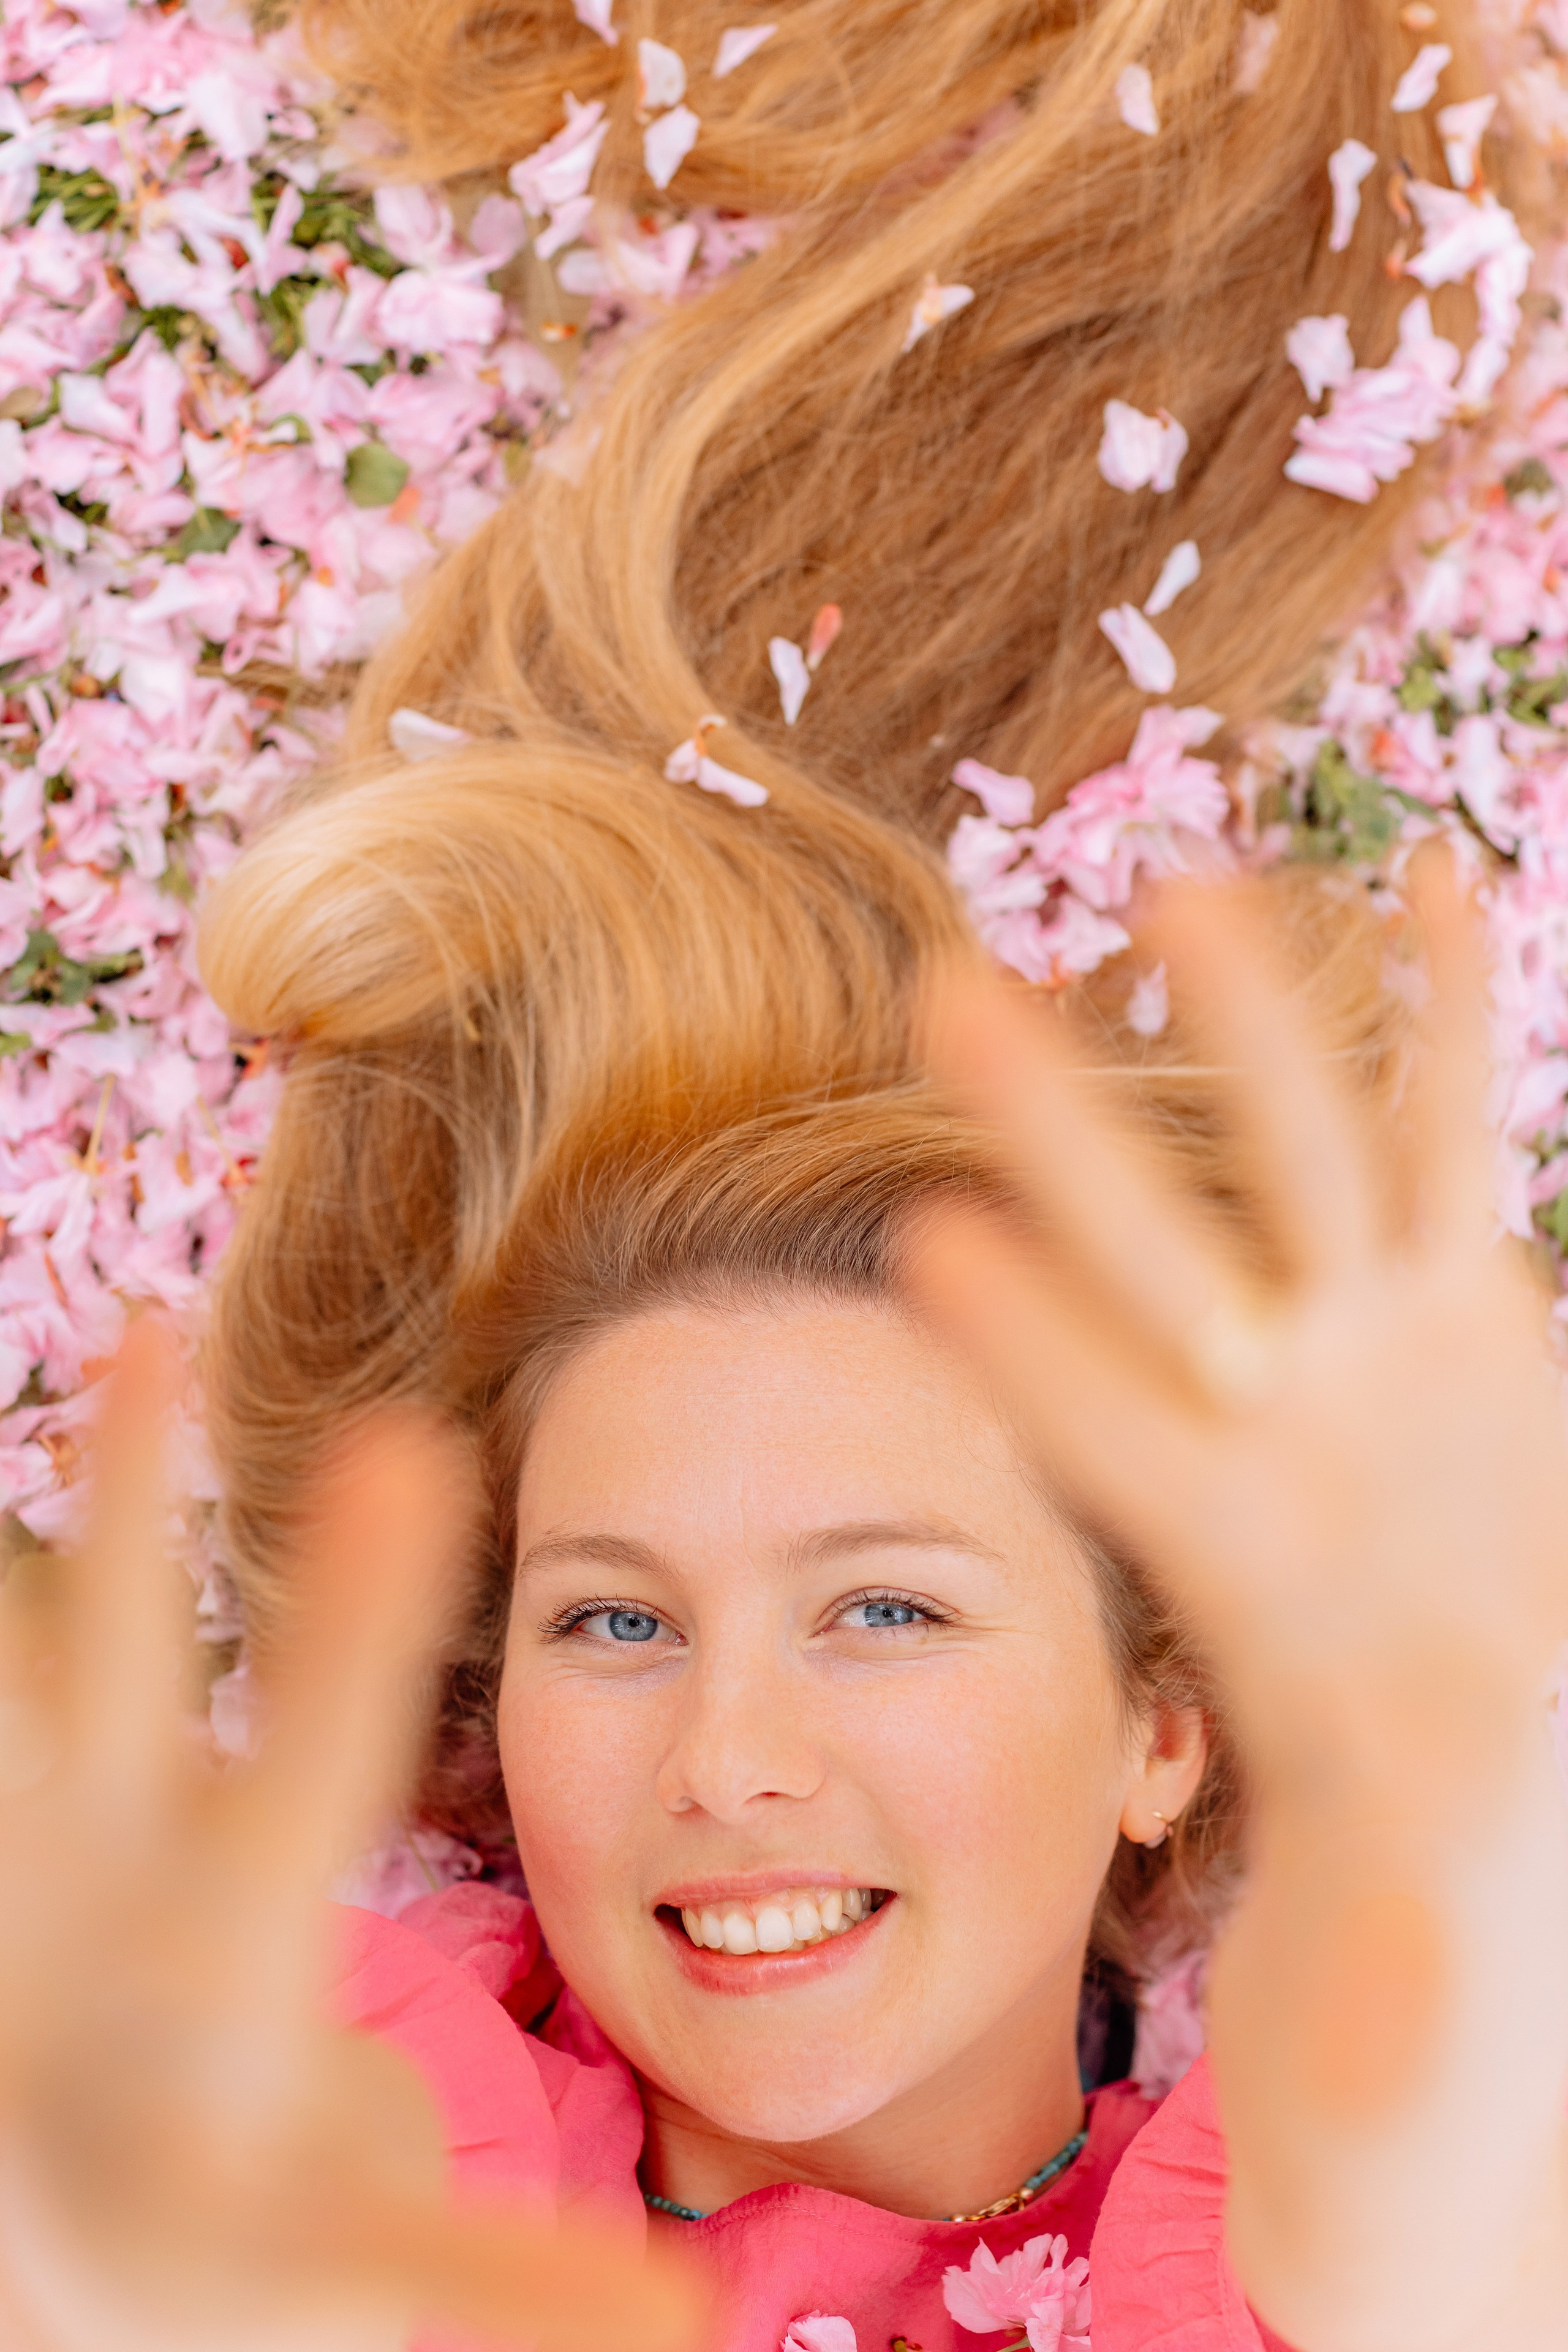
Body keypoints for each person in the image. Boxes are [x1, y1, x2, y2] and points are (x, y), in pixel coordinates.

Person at [0, 2, 1564, 2348]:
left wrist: (1465, 1795)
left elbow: (1440, 2216)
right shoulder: (359, 2142)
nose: (725, 1758)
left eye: (889, 1607)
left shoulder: (1290, 2255)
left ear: (1164, 1734)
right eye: (613, 1623)